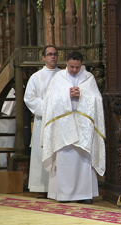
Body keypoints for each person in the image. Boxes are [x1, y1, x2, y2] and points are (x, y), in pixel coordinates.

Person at [41, 51, 105, 204]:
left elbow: (97, 99)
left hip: (84, 125)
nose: (74, 70)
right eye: (71, 67)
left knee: (84, 160)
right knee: (65, 159)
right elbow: (50, 101)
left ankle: (84, 195)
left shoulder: (88, 78)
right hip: (64, 126)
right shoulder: (58, 78)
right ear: (66, 64)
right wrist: (67, 95)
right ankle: (64, 195)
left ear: (81, 65)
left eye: (77, 67)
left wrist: (82, 94)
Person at [24, 45, 61, 199]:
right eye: (50, 54)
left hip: (59, 121)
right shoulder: (36, 77)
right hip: (43, 121)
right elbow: (29, 99)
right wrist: (49, 107)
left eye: (55, 54)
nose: (53, 57)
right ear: (43, 57)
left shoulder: (63, 75)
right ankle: (42, 187)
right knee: (42, 153)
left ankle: (58, 187)